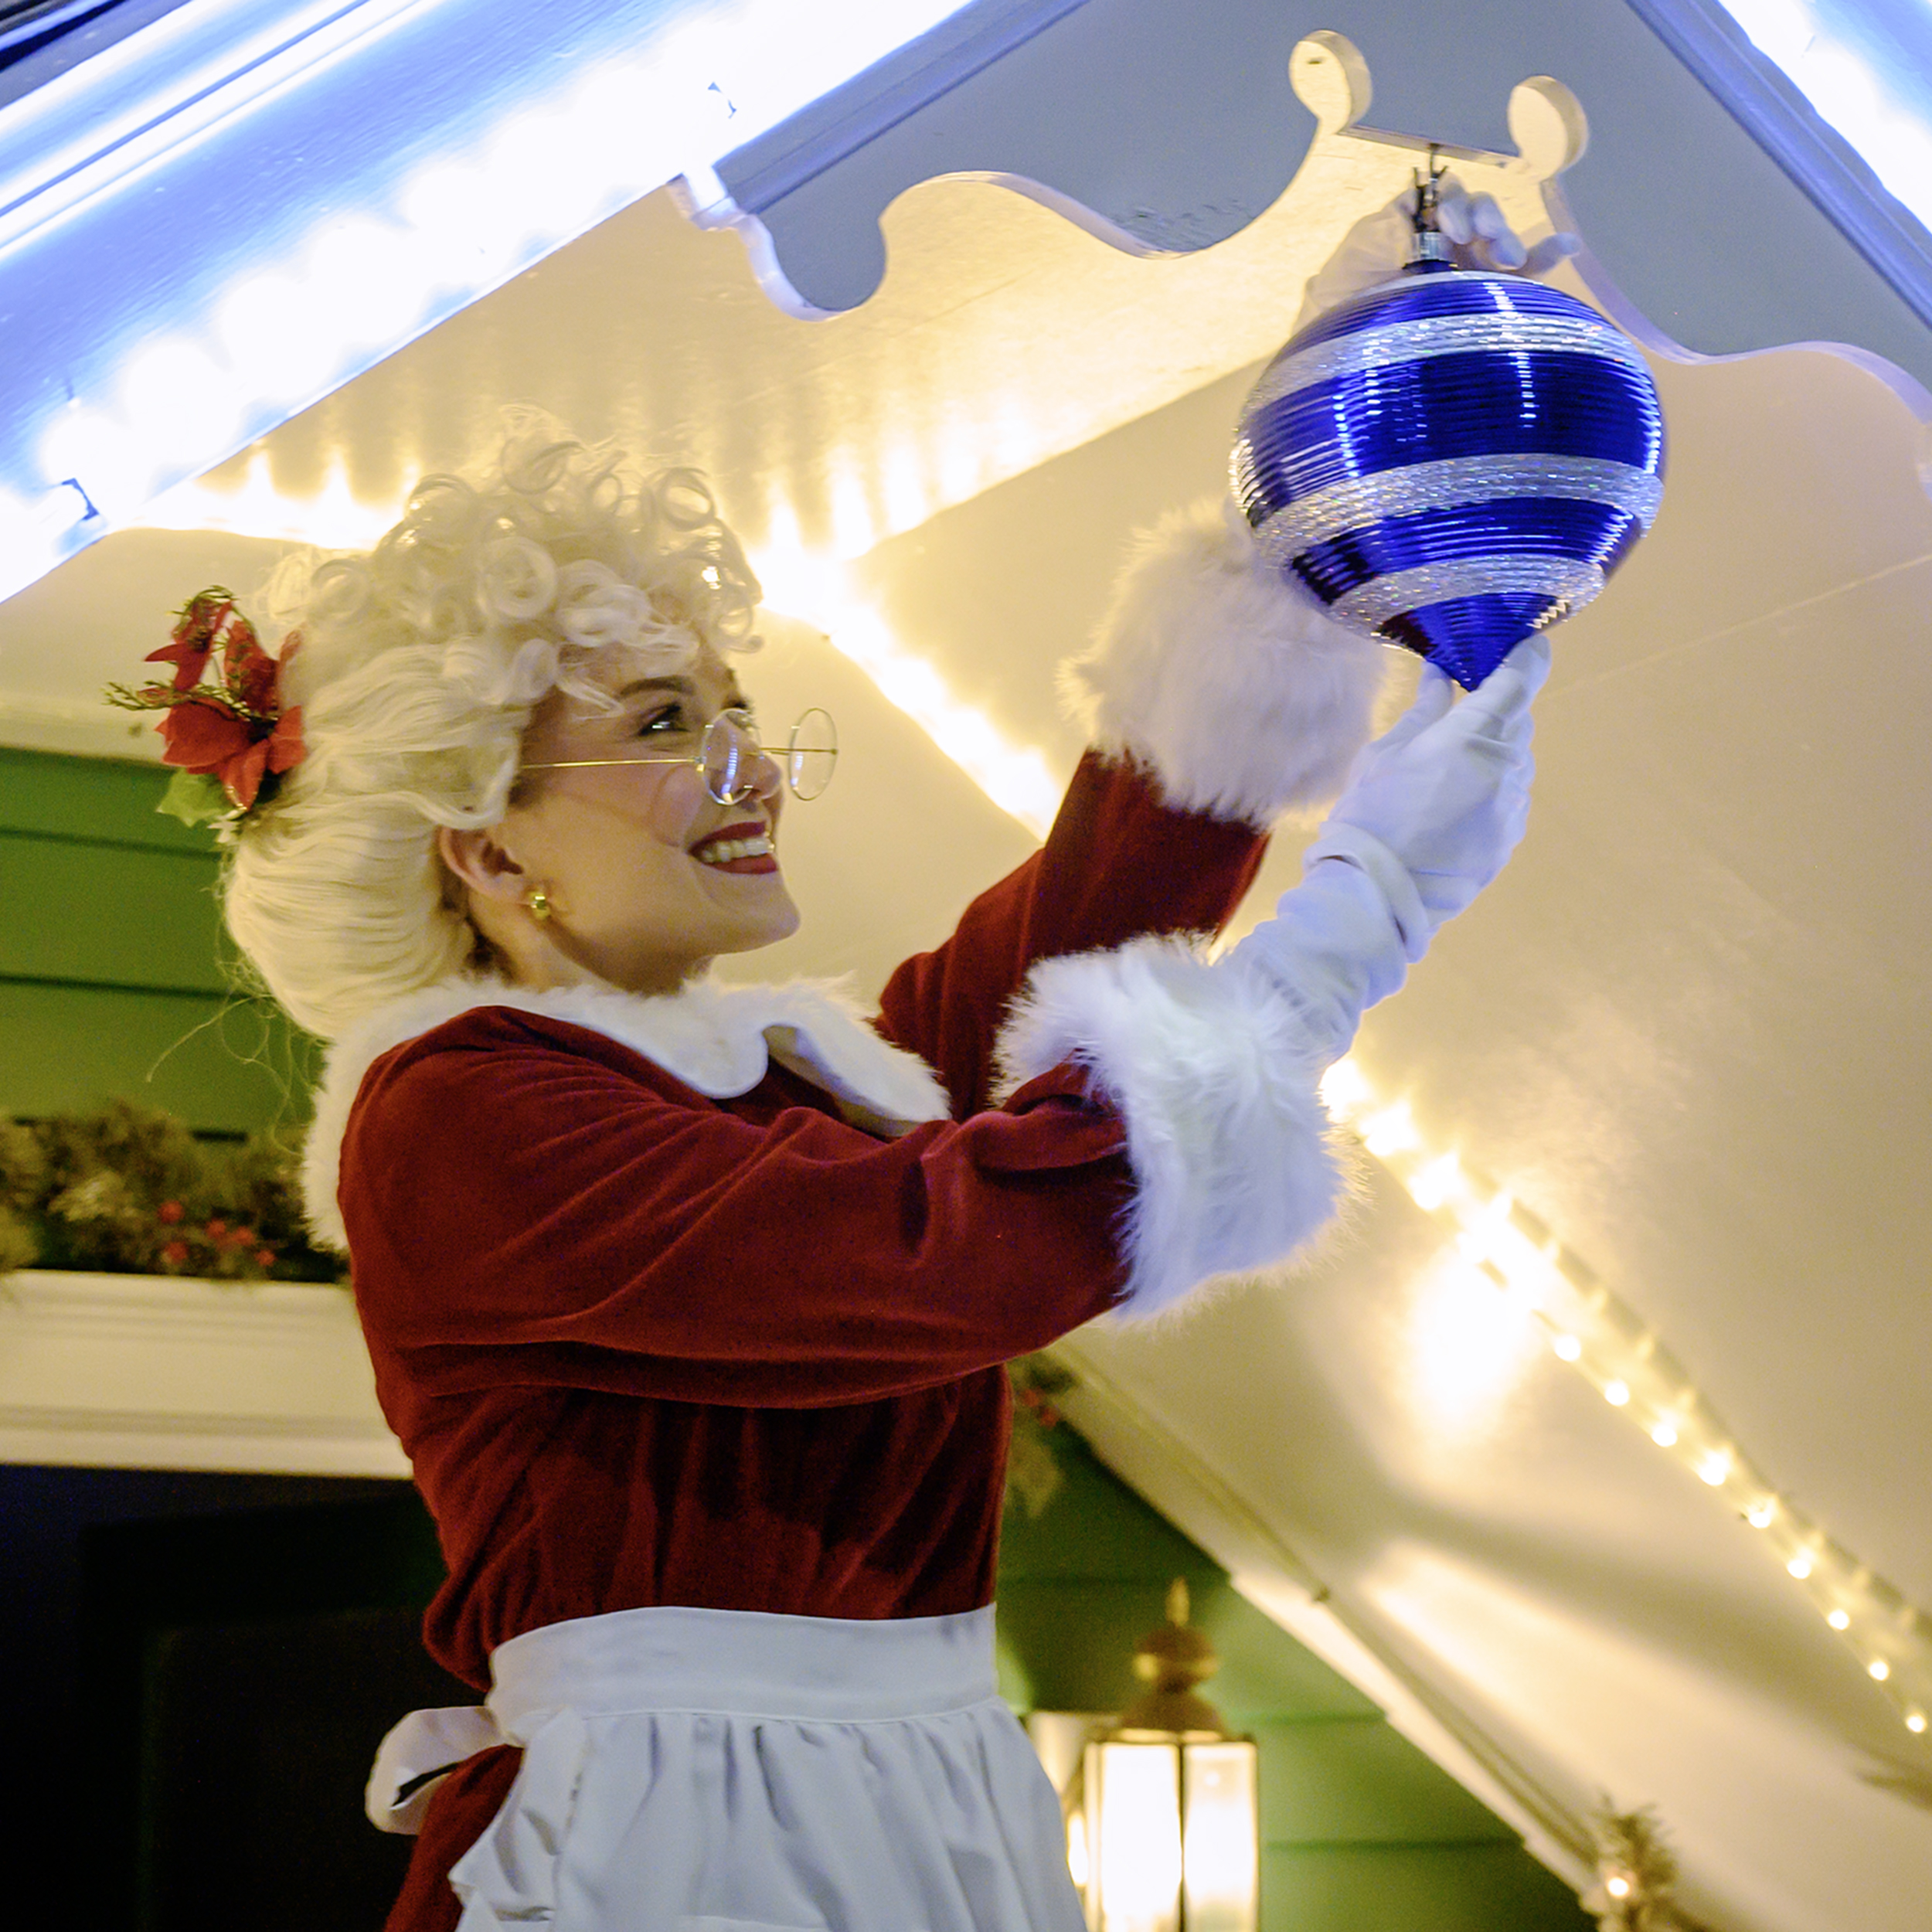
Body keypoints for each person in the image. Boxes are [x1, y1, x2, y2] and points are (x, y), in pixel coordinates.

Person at [154, 185, 1547, 1932]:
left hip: (924, 1796)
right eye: (667, 725)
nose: (750, 766)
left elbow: (1092, 919)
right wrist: (1369, 896)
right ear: (486, 852)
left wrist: (1318, 462)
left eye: (737, 709)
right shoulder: (458, 1114)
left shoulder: (812, 1071)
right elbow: (960, 1239)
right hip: (663, 1840)